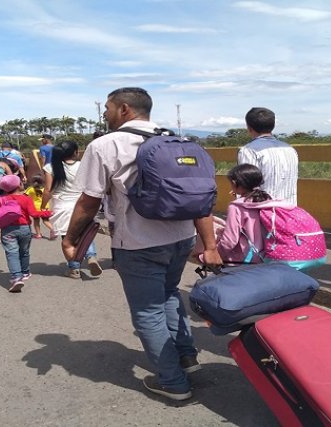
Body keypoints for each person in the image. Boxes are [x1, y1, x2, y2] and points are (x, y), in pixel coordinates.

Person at [61, 87, 222, 401]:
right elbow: (201, 200)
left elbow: (88, 202)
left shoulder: (105, 145)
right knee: (170, 295)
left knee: (148, 312)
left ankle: (173, 382)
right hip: (181, 240)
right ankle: (187, 360)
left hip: (137, 243)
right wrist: (210, 244)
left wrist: (70, 239)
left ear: (123, 109)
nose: (104, 113)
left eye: (107, 108)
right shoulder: (180, 142)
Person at [40, 141, 102, 279]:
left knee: (67, 237)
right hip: (82, 204)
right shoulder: (83, 166)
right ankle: (91, 256)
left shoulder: (51, 167)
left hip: (62, 206)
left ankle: (74, 269)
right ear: (76, 152)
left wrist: (43, 205)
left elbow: (48, 190)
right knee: (85, 233)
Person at [0, 174, 51, 293]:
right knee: (24, 252)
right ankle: (25, 272)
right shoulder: (26, 199)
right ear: (19, 185)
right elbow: (34, 214)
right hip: (25, 229)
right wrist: (48, 213)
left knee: (12, 253)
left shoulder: (0, 200)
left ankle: (16, 277)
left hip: (8, 230)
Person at [238, 107, 299, 205]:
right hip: (289, 210)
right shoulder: (290, 149)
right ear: (273, 125)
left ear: (249, 128)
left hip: (264, 212)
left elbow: (248, 187)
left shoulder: (249, 150)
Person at [215, 164, 271, 264]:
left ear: (234, 182)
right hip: (268, 255)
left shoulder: (236, 207)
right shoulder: (269, 200)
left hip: (245, 259)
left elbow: (229, 241)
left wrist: (215, 255)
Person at [24, 174, 55, 239]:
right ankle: (52, 229)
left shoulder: (30, 189)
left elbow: (24, 196)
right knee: (46, 220)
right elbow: (50, 195)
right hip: (45, 206)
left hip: (35, 207)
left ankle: (38, 234)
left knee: (36, 221)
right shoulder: (45, 188)